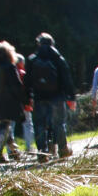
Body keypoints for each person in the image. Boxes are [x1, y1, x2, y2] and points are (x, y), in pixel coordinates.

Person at [25, 32, 76, 162]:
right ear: (52, 43)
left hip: (39, 97)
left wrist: (27, 98)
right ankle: (63, 150)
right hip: (57, 97)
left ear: (39, 43)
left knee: (39, 125)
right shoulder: (58, 59)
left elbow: (27, 82)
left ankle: (43, 153)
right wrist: (71, 97)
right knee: (59, 124)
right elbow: (67, 79)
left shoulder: (32, 60)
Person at [12, 54, 34, 155]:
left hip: (13, 104)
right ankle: (29, 147)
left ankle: (11, 150)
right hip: (25, 104)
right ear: (21, 63)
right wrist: (30, 101)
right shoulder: (24, 73)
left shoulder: (9, 74)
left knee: (11, 126)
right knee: (28, 124)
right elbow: (29, 89)